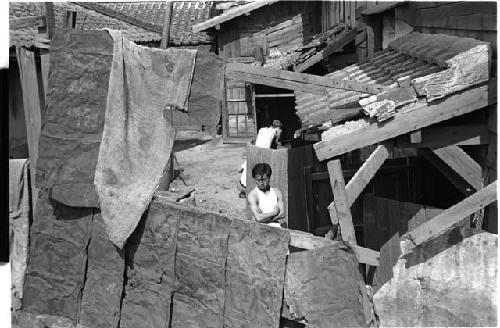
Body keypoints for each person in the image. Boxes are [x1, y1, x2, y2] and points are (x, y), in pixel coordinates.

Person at [237, 120, 282, 198]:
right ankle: (256, 190)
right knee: (263, 171)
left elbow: (257, 140)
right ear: (278, 127)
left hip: (255, 149)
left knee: (248, 166)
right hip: (264, 152)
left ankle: (243, 190)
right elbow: (278, 141)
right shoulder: (277, 131)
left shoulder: (262, 129)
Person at [247, 163, 285, 228]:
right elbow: (258, 218)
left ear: (269, 178)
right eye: (258, 180)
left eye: (264, 179)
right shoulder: (253, 195)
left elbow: (282, 214)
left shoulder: (277, 192)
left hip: (277, 229)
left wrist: (264, 216)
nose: (261, 183)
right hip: (261, 230)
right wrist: (275, 212)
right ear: (255, 179)